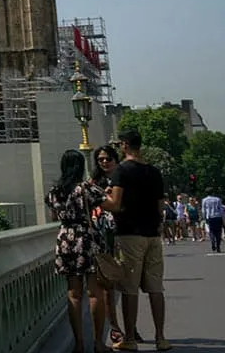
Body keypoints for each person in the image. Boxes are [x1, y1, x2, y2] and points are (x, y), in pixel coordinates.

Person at [103, 129, 171, 351]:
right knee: (155, 288)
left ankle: (130, 338)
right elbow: (161, 206)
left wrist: (97, 198)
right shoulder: (154, 171)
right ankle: (161, 337)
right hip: (152, 234)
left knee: (129, 288)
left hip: (130, 233)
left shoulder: (122, 171)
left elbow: (114, 203)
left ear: (124, 145)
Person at [47, 148, 109, 353]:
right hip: (86, 238)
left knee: (74, 294)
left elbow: (54, 216)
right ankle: (98, 342)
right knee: (94, 293)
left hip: (65, 239)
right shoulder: (86, 189)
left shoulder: (54, 192)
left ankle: (79, 343)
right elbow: (109, 205)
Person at [92, 144, 143, 349]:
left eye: (108, 158)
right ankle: (114, 327)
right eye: (101, 159)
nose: (104, 162)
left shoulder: (125, 178)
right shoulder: (94, 183)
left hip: (126, 233)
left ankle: (131, 327)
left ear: (115, 159)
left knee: (129, 282)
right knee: (107, 285)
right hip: (103, 236)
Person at [201, 188, 225, 252]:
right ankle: (218, 246)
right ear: (213, 192)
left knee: (211, 231)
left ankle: (213, 242)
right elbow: (221, 209)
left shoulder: (204, 200)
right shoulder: (218, 199)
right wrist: (223, 218)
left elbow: (203, 210)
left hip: (210, 217)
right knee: (218, 232)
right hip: (218, 216)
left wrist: (204, 218)